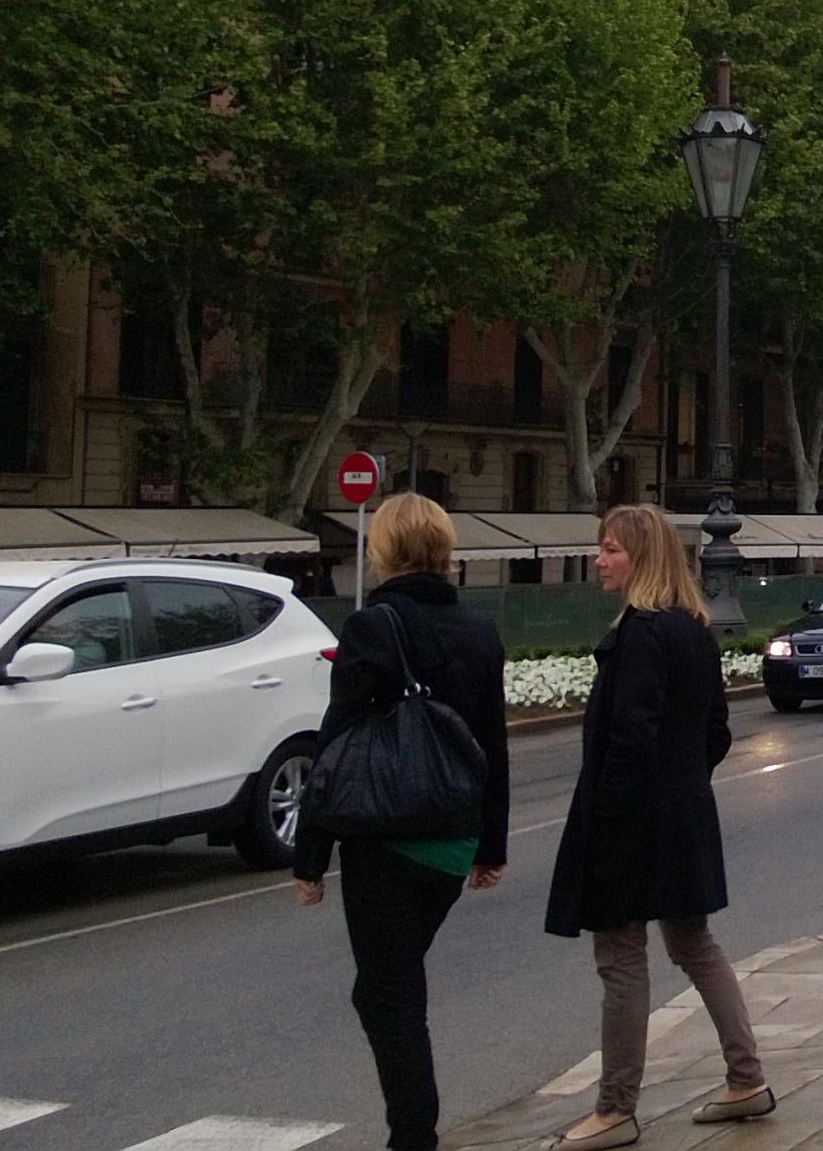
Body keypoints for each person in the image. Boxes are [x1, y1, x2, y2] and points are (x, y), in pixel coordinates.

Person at [546, 504, 771, 1148]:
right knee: (694, 944)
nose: (599, 560)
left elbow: (631, 739)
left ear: (641, 558)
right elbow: (717, 732)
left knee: (620, 957)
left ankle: (615, 1108)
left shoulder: (642, 633)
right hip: (683, 814)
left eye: (611, 550)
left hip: (632, 821)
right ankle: (746, 1078)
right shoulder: (693, 630)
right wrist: (683, 783)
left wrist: (609, 821)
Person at [292, 492, 511, 1151]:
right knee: (388, 990)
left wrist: (310, 857)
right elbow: (492, 742)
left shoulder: (371, 627)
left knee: (391, 998)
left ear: (382, 549)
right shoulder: (479, 630)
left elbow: (337, 743)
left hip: (386, 838)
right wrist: (490, 844)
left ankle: (413, 1137)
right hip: (452, 840)